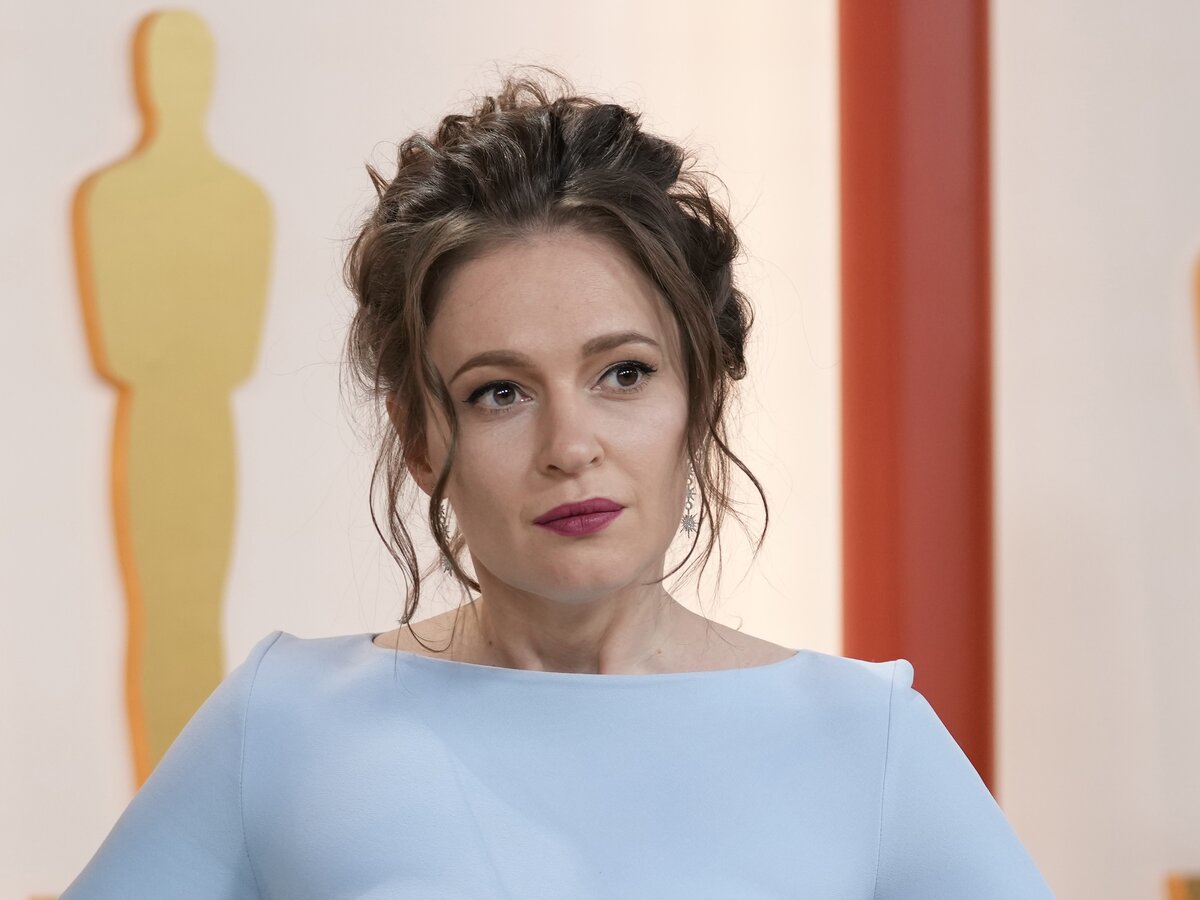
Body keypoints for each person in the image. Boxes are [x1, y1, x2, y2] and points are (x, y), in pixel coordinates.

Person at [62, 72, 1055, 898]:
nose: (570, 446)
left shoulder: (865, 739)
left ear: (699, 397)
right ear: (420, 440)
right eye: (499, 392)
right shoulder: (281, 722)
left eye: (623, 373)